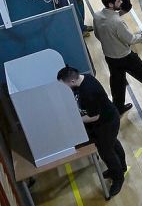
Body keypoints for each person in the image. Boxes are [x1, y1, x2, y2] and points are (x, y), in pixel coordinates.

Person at [56, 67, 128, 198]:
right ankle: (121, 167)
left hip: (107, 122)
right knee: (113, 144)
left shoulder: (88, 91)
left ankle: (118, 178)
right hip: (105, 121)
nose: (63, 89)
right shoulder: (84, 79)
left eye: (63, 86)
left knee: (106, 152)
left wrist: (75, 119)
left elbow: (94, 116)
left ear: (72, 80)